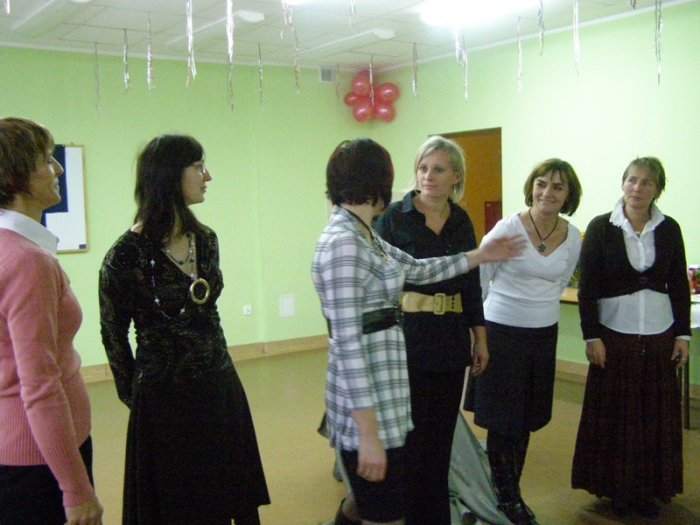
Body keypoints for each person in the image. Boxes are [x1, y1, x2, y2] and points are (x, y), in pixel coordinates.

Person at [312, 138, 524, 525]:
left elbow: (419, 269)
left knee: (372, 503)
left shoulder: (365, 235)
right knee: (381, 510)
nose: (423, 177)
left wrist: (480, 255)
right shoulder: (344, 244)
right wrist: (369, 434)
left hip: (388, 395)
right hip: (371, 402)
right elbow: (347, 346)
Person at [99, 135, 270, 525]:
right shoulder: (125, 256)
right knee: (179, 506)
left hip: (218, 387)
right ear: (169, 176)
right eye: (198, 167)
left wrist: (219, 372)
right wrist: (138, 398)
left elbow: (209, 315)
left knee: (227, 497)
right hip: (164, 401)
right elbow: (113, 334)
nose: (208, 176)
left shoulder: (206, 240)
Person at [373, 136, 488, 525]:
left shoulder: (461, 220)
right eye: (423, 168)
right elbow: (378, 282)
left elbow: (471, 284)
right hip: (409, 339)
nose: (428, 176)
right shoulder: (394, 218)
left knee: (440, 441)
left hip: (451, 340)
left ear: (456, 176)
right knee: (411, 441)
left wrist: (480, 337)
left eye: (438, 169)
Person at [571, 157, 689, 519]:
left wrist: (682, 335)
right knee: (616, 415)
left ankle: (648, 489)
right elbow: (588, 288)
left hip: (659, 333)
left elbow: (678, 285)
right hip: (614, 335)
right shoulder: (601, 227)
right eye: (632, 180)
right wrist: (591, 336)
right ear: (623, 183)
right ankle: (616, 490)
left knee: (653, 415)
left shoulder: (669, 229)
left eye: (647, 182)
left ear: (658, 189)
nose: (638, 188)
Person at [0, 117, 103, 525]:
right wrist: (76, 490)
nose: (58, 168)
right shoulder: (27, 262)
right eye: (47, 159)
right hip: (40, 463)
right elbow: (40, 384)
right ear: (16, 175)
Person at [469, 158, 583, 525]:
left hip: (542, 335)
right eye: (542, 183)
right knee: (503, 421)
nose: (548, 192)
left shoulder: (573, 236)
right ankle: (508, 498)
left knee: (525, 419)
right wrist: (478, 335)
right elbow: (480, 279)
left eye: (558, 187)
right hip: (502, 333)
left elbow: (561, 280)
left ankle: (506, 491)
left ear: (568, 195)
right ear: (531, 187)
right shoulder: (508, 229)